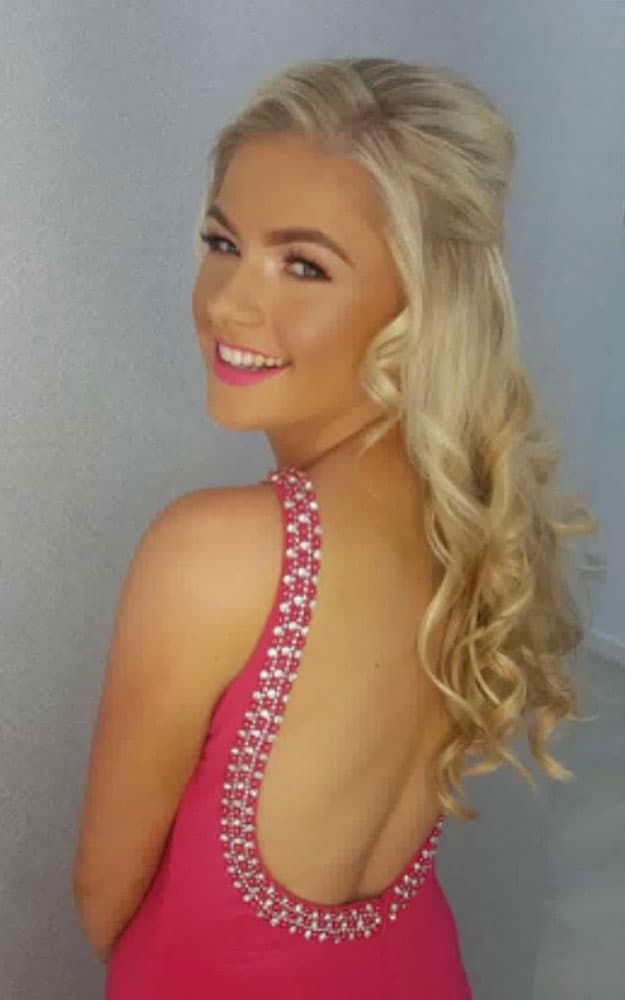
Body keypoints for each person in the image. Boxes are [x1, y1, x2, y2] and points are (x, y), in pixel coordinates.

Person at [72, 57, 596, 998]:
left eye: (304, 265)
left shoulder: (216, 552)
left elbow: (103, 898)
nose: (227, 302)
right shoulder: (467, 522)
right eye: (222, 242)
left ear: (420, 303)